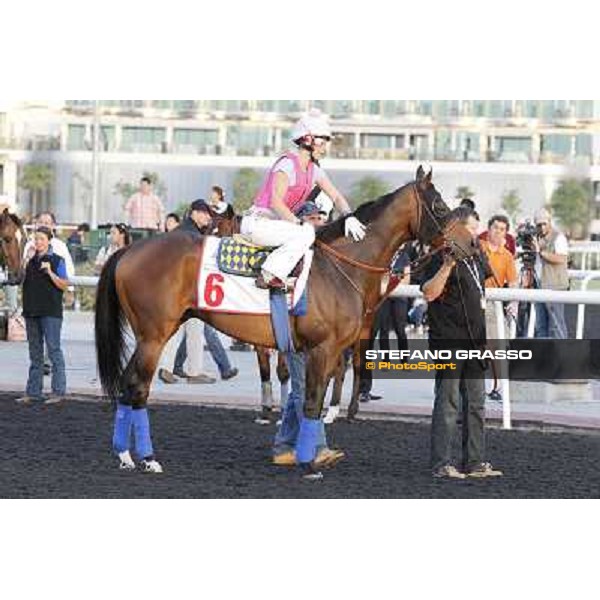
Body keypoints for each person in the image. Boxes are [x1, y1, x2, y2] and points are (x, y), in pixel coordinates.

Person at [240, 108, 366, 291]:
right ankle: (269, 275)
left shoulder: (314, 169)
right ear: (307, 140)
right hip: (258, 223)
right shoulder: (287, 164)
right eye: (322, 143)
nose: (325, 149)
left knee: (310, 235)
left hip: (278, 227)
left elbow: (336, 196)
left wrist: (349, 216)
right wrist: (298, 224)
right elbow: (276, 202)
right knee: (307, 233)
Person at [421, 206, 503, 479]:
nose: (476, 234)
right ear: (456, 227)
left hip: (475, 342)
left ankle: (476, 462)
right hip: (448, 340)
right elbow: (429, 293)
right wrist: (447, 265)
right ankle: (441, 463)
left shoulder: (477, 255)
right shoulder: (439, 255)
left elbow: (488, 289)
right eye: (471, 228)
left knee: (477, 403)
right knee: (448, 402)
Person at [272, 200, 344, 469]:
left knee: (299, 390)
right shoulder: (292, 252)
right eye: (314, 218)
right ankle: (318, 447)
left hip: (309, 331)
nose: (320, 223)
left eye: (321, 218)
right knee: (306, 388)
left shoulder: (319, 255)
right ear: (301, 222)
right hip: (293, 331)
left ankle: (282, 447)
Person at [158, 200, 238, 384]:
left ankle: (169, 368)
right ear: (194, 213)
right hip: (188, 292)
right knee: (193, 330)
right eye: (205, 214)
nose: (208, 218)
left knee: (184, 330)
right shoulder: (192, 235)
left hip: (177, 290)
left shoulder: (181, 232)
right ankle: (192, 372)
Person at [16, 226, 69, 405]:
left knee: (54, 351)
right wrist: (24, 262)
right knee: (35, 353)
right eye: (35, 239)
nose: (38, 242)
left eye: (41, 239)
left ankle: (58, 392)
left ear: (49, 241)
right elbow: (19, 279)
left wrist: (50, 272)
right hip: (31, 311)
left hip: (51, 312)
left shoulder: (57, 260)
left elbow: (64, 285)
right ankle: (33, 392)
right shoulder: (30, 261)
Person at [532, 207, 569, 339]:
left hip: (555, 287)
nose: (541, 227)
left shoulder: (559, 238)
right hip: (539, 286)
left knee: (557, 325)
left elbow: (561, 259)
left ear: (549, 222)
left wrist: (540, 252)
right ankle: (544, 357)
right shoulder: (535, 238)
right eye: (538, 224)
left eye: (544, 224)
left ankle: (563, 356)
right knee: (541, 325)